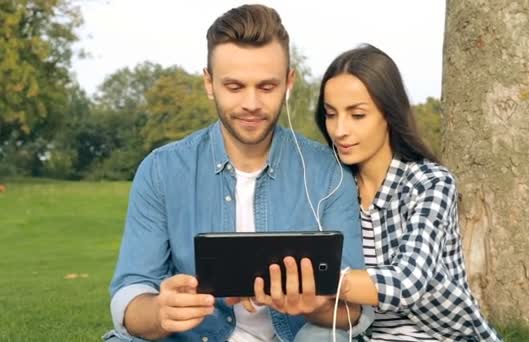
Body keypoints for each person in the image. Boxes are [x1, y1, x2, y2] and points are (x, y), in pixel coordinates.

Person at [103, 5, 372, 342]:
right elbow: (130, 294)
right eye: (234, 86)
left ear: (289, 82)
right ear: (209, 82)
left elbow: (354, 312)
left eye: (266, 87)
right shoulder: (161, 171)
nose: (251, 104)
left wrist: (312, 305)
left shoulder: (328, 175)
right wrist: (159, 311)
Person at [314, 44, 503, 341]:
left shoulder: (430, 183)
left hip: (438, 335)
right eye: (331, 114)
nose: (339, 130)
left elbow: (408, 281)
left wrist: (320, 282)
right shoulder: (332, 186)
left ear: (389, 114)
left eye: (357, 115)